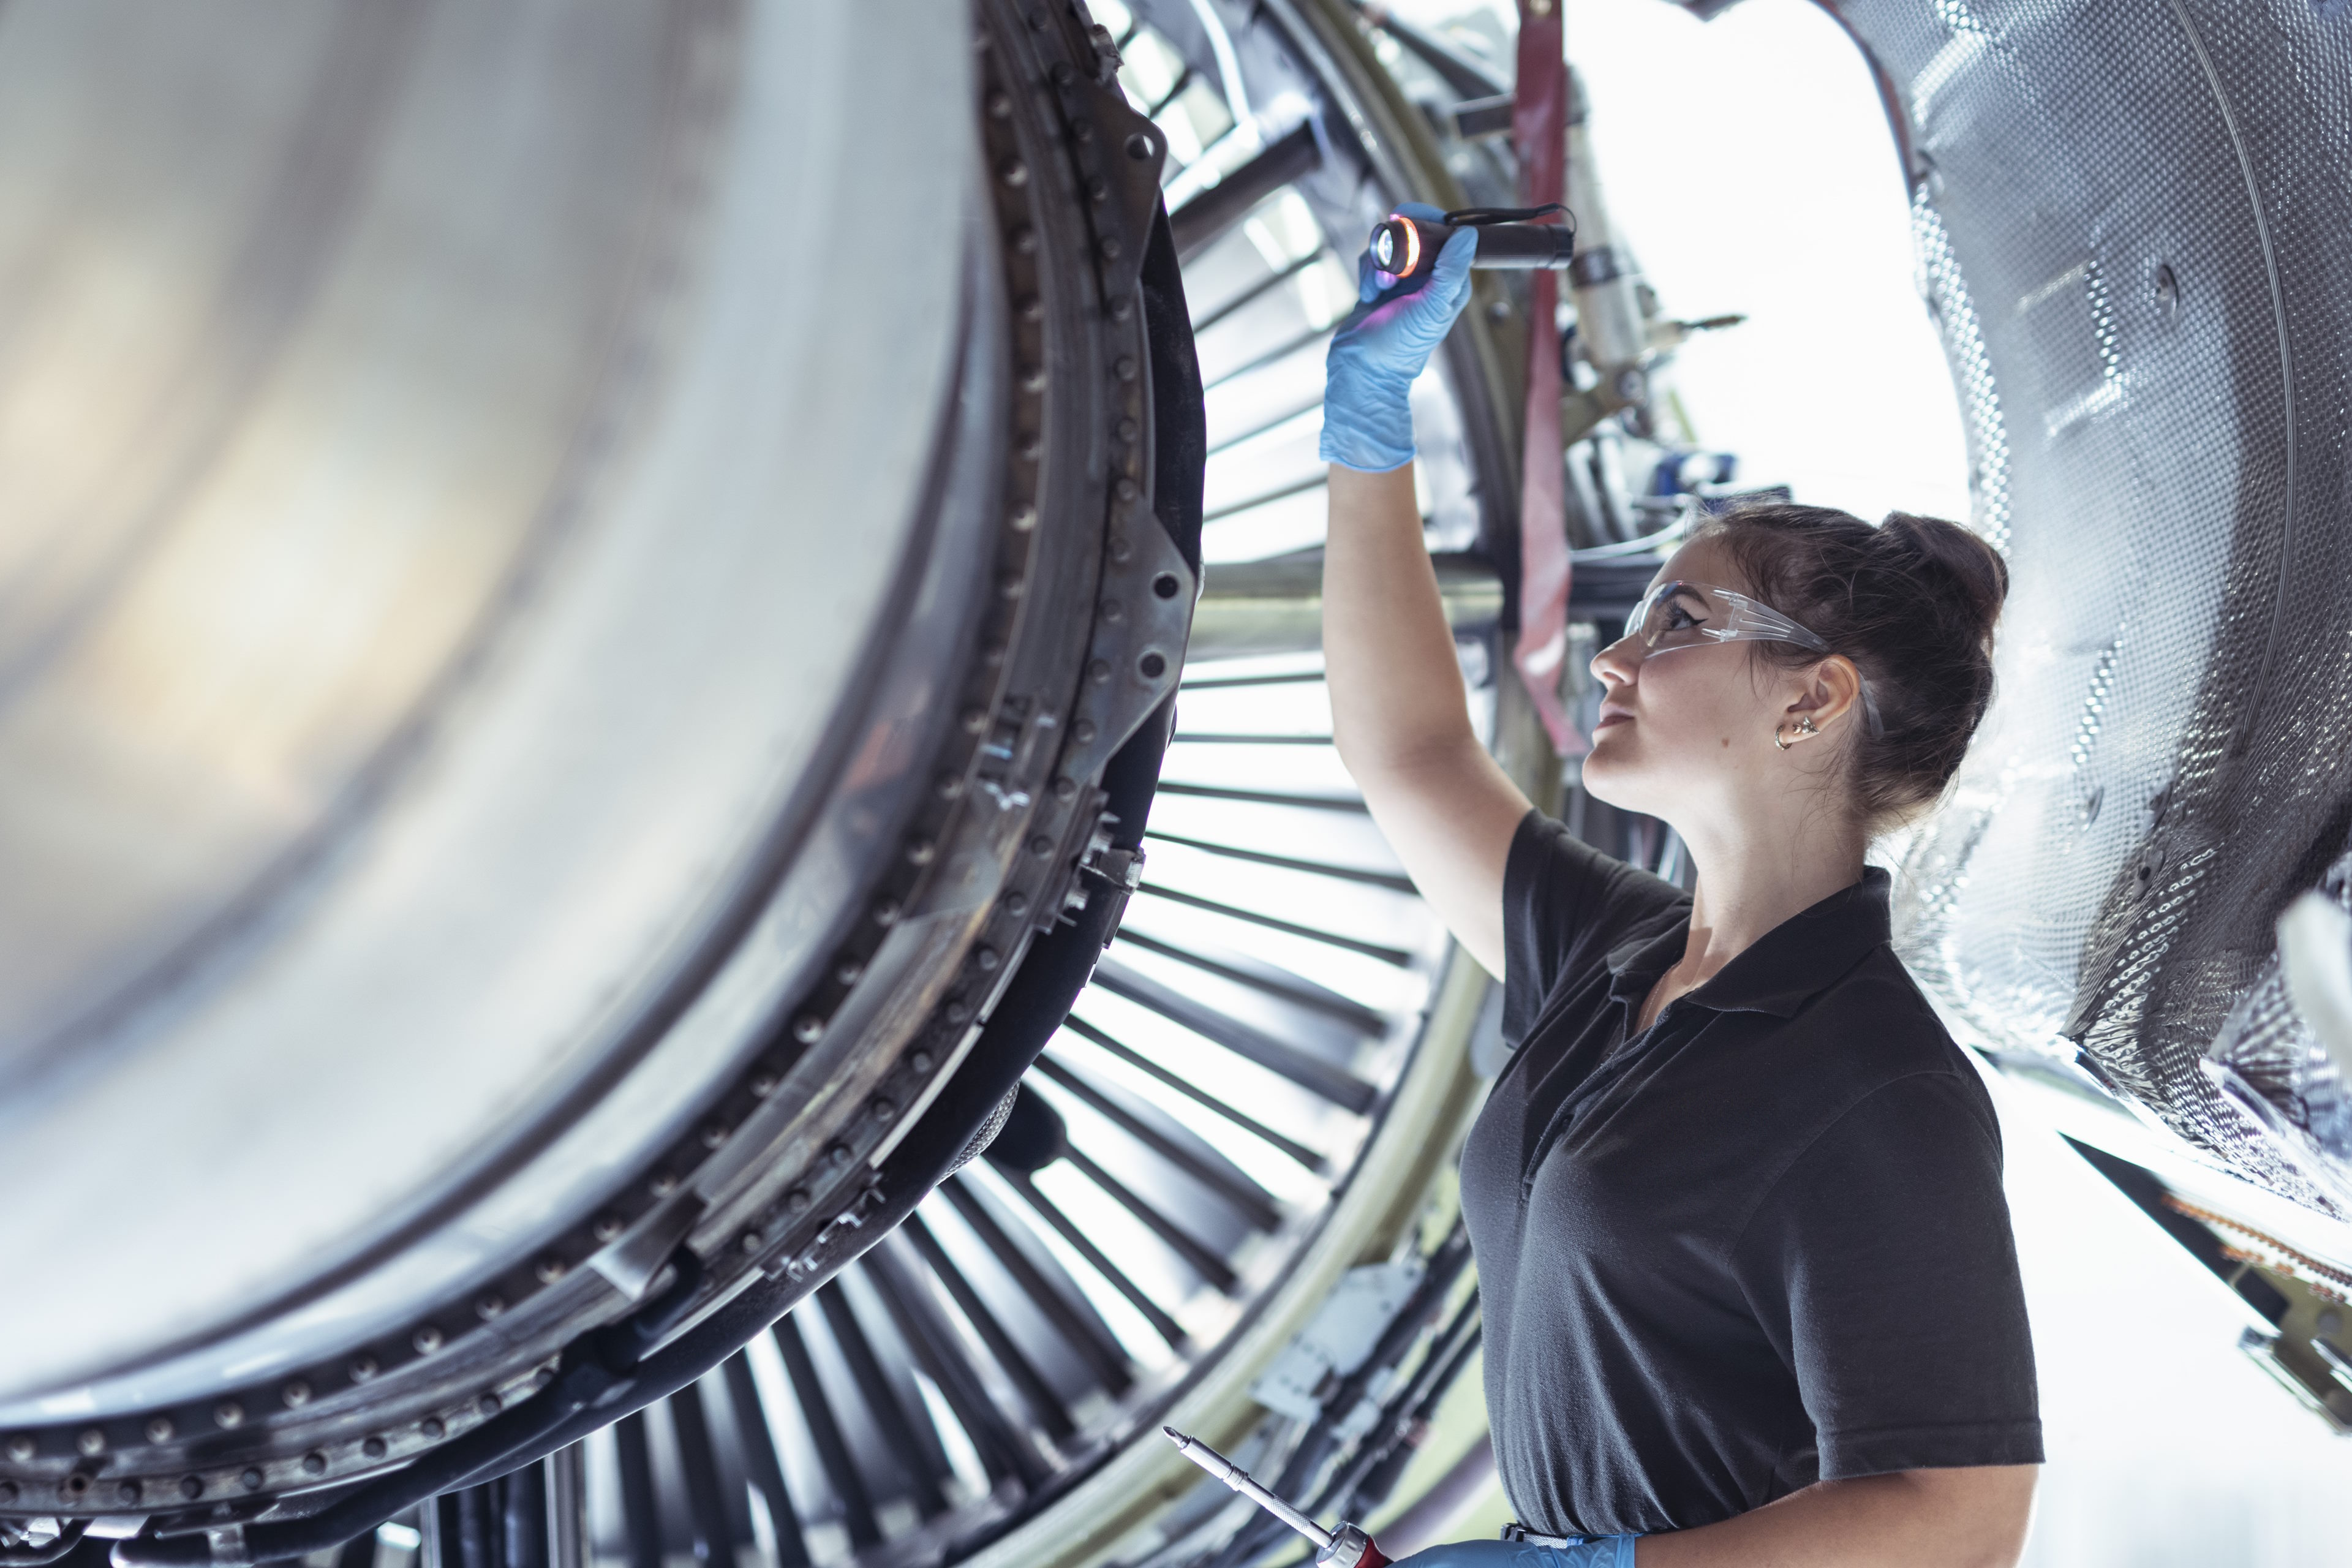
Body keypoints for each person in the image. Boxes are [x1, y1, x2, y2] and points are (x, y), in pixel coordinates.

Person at [1317, 215, 2042, 1567]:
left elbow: (1959, 1521)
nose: (1616, 658)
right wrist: (1370, 424)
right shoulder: (1615, 955)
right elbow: (1409, 752)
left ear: (1813, 701)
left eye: (1681, 623)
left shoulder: (1878, 1083)